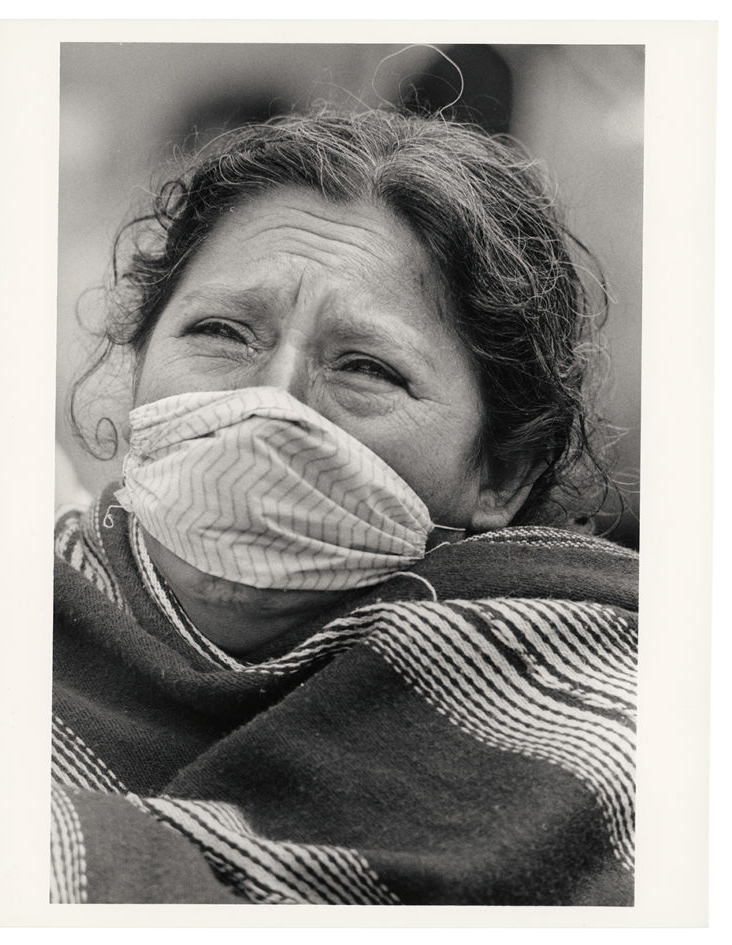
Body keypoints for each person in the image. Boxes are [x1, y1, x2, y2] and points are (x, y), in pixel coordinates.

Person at [51, 109, 638, 906]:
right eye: (222, 332)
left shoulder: (621, 736)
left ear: (501, 473)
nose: (270, 403)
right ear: (138, 363)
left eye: (366, 367)